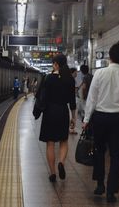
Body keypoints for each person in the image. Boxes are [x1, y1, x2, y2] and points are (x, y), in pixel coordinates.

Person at [82, 41, 119, 203]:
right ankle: (111, 191)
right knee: (117, 155)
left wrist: (86, 119)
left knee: (99, 150)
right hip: (118, 119)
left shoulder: (99, 73)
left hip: (100, 118)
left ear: (110, 56)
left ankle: (99, 184)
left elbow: (92, 98)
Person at [40, 54, 76, 183]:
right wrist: (74, 118)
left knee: (50, 143)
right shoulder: (70, 80)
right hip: (63, 111)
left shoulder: (48, 78)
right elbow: (72, 102)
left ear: (56, 64)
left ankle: (53, 173)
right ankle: (61, 162)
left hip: (50, 112)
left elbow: (43, 98)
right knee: (63, 141)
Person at [69, 68, 79, 134]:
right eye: (75, 72)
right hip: (71, 101)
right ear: (72, 72)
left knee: (71, 116)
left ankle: (71, 128)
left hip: (69, 100)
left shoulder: (69, 79)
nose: (76, 74)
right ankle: (72, 129)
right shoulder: (71, 80)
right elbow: (72, 92)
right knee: (73, 116)